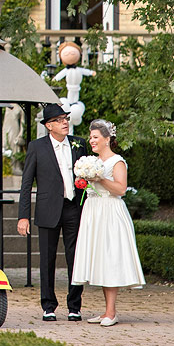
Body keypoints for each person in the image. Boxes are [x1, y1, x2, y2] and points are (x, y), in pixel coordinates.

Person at [18, 102, 88, 322]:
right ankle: (48, 306)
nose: (65, 122)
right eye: (59, 120)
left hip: (74, 209)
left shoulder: (79, 144)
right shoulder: (37, 147)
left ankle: (74, 306)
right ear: (49, 126)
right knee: (47, 260)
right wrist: (23, 216)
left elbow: (88, 177)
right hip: (48, 209)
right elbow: (26, 183)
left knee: (75, 258)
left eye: (65, 118)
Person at [72, 118, 145, 325]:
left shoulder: (117, 161)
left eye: (95, 137)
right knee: (100, 259)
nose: (91, 140)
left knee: (110, 258)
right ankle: (106, 311)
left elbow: (121, 189)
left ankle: (111, 312)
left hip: (110, 212)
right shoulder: (92, 161)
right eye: (91, 136)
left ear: (106, 139)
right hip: (93, 210)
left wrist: (99, 178)